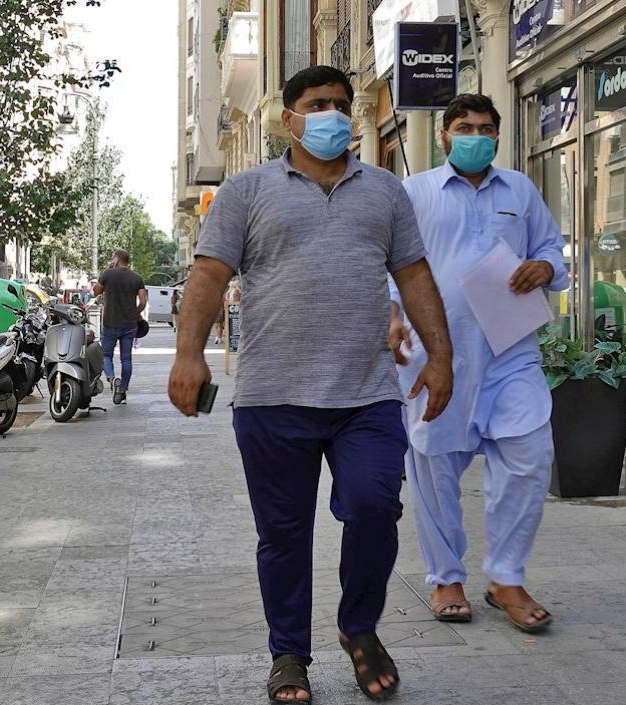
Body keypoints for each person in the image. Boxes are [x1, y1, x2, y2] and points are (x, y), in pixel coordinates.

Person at [167, 65, 454, 704]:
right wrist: (189, 355)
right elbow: (210, 276)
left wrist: (442, 357)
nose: (331, 114)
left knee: (376, 506)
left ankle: (360, 629)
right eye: (316, 103)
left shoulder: (384, 189)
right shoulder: (246, 191)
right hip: (273, 396)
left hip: (367, 395)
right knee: (284, 534)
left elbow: (413, 276)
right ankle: (289, 653)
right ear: (288, 118)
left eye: (340, 104)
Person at [390, 94, 565, 632]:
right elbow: (385, 259)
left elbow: (554, 250)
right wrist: (391, 314)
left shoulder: (521, 189)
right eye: (464, 127)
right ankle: (446, 576)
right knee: (435, 467)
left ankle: (506, 577)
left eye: (486, 128)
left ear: (498, 135)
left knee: (530, 454)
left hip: (511, 350)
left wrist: (543, 267)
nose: (476, 136)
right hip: (436, 355)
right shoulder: (414, 192)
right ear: (444, 136)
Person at [92, 249, 147, 405]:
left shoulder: (108, 274)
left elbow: (95, 291)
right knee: (126, 358)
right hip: (129, 325)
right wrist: (135, 313)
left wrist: (108, 271)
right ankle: (122, 389)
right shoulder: (136, 278)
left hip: (110, 323)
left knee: (106, 356)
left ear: (116, 259)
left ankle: (112, 379)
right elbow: (143, 302)